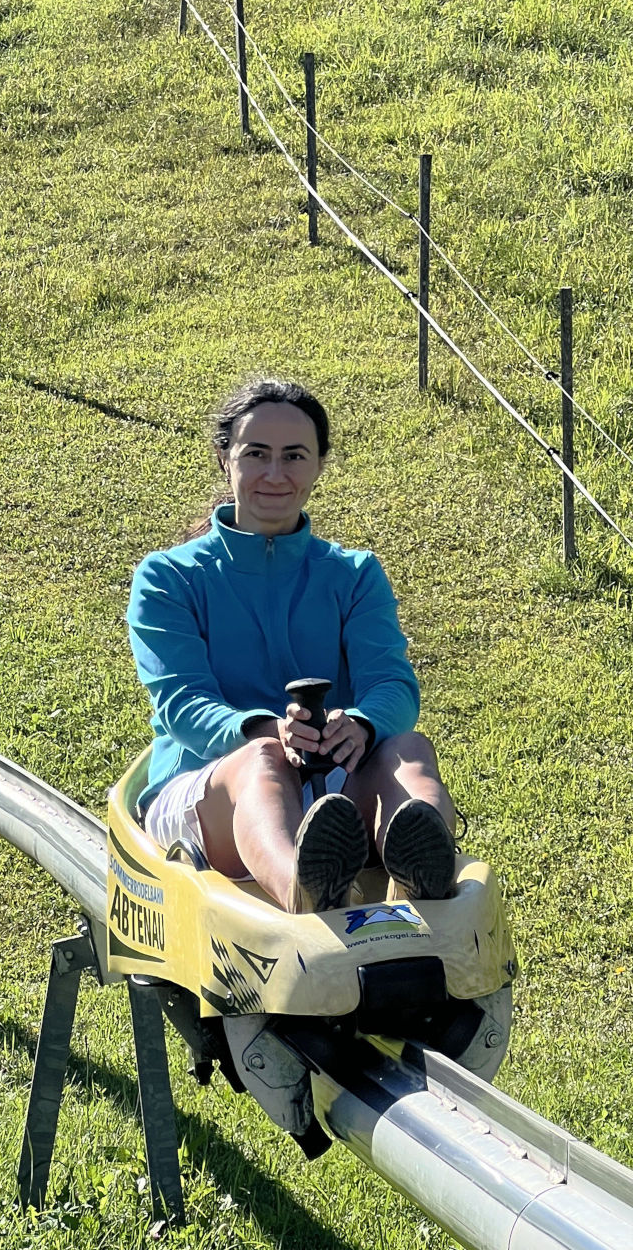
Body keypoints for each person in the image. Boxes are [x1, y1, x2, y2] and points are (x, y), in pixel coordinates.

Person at [126, 376, 459, 914]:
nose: (274, 475)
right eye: (256, 454)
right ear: (224, 458)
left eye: (294, 456)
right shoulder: (168, 577)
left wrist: (364, 724)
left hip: (334, 790)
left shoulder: (353, 575)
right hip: (210, 785)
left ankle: (423, 880)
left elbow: (392, 684)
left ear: (319, 465)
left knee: (409, 750)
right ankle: (306, 894)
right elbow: (180, 702)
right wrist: (266, 730)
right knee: (262, 761)